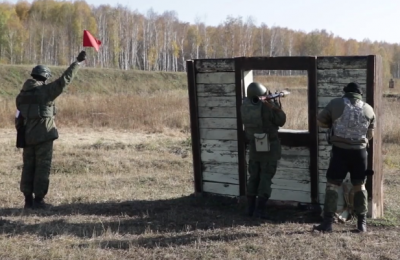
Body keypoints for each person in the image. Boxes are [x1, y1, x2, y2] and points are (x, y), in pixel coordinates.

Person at [15, 51, 87, 209]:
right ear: (45, 77)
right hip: (43, 137)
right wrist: (77, 62)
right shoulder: (44, 92)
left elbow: (18, 117)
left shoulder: (21, 96)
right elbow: (64, 80)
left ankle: (28, 200)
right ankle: (39, 200)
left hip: (27, 137)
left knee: (28, 167)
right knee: (42, 167)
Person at [313, 82, 375, 232]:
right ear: (360, 94)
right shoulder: (368, 108)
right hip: (360, 154)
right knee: (360, 186)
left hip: (340, 152)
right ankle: (362, 224)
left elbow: (320, 121)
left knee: (333, 185)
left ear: (345, 92)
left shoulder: (335, 103)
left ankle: (327, 223)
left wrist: (332, 125)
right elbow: (370, 134)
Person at [240, 82, 286, 219]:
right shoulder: (267, 107)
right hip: (269, 147)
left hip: (254, 145)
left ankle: (250, 209)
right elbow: (281, 120)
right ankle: (259, 210)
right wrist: (274, 104)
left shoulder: (245, 105)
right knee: (265, 178)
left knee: (253, 177)